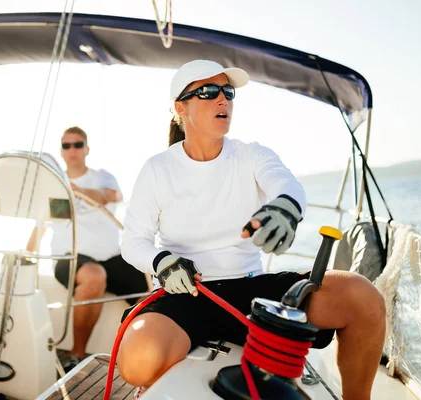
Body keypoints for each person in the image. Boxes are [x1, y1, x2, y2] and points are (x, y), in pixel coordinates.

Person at [117, 60, 386, 400]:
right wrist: (162, 262)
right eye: (208, 92)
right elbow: (133, 239)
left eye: (228, 92)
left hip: (253, 292)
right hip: (185, 295)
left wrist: (285, 207)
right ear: (179, 108)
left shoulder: (251, 155)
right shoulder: (157, 169)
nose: (223, 100)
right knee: (137, 362)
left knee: (362, 298)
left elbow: (286, 185)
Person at [26, 126, 149, 371]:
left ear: (87, 149)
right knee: (94, 276)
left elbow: (107, 196)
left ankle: (145, 357)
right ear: (61, 151)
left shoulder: (102, 177)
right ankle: (77, 353)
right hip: (70, 258)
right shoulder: (52, 185)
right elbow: (40, 225)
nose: (72, 150)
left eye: (78, 144)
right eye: (66, 145)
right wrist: (26, 258)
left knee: (151, 291)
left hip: (111, 257)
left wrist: (76, 190)